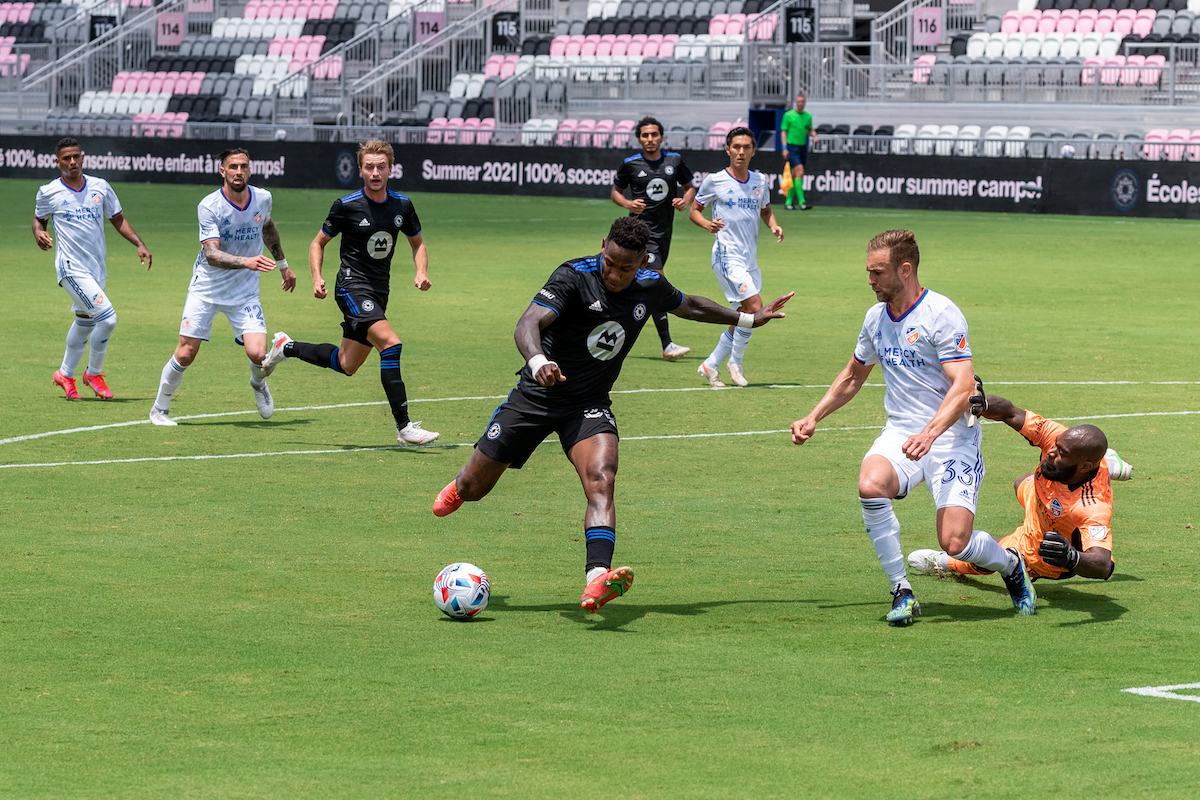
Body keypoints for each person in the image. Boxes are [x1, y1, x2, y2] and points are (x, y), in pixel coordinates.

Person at [431, 217, 793, 613]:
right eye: (610, 262)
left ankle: (596, 579)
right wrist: (537, 361)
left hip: (588, 402)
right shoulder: (573, 276)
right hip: (537, 394)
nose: (616, 274)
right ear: (603, 246)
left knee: (602, 477)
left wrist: (747, 318)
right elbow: (528, 323)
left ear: (642, 261)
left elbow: (689, 305)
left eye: (627, 267)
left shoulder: (650, 284)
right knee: (473, 488)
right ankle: (460, 485)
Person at [789, 229, 1036, 626]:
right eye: (868, 272)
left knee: (955, 543)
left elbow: (965, 385)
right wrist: (814, 416)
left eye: (878, 272)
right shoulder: (875, 318)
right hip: (902, 432)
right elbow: (854, 374)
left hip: (952, 436)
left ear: (905, 270)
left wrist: (931, 433)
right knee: (870, 484)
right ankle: (901, 591)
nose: (870, 280)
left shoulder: (941, 313)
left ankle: (1009, 565)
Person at [261, 140, 437, 445]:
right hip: (350, 287)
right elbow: (318, 243)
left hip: (379, 291)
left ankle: (285, 347)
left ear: (390, 169)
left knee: (346, 364)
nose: (375, 172)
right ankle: (404, 426)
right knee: (391, 345)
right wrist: (317, 277)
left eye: (381, 166)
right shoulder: (346, 205)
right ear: (360, 170)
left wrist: (421, 271)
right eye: (369, 166)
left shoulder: (402, 205)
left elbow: (417, 243)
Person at [908, 391, 1133, 583]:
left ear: (1084, 466)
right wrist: (981, 403)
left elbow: (1103, 565)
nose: (1051, 452)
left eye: (1061, 454)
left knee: (993, 558)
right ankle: (1108, 465)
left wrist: (1072, 557)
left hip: (1041, 545)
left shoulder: (1091, 507)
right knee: (1020, 482)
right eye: (1056, 446)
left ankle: (944, 562)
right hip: (1039, 495)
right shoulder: (1056, 436)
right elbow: (1010, 412)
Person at [149, 147, 295, 426]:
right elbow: (211, 255)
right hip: (207, 289)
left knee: (258, 354)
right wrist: (247, 262)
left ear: (249, 169)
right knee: (185, 353)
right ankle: (159, 409)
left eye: (243, 166)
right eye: (233, 167)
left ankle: (257, 383)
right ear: (222, 171)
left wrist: (283, 265)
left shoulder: (263, 198)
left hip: (244, 292)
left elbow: (268, 228)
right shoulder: (209, 206)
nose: (238, 171)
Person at [33, 137, 152, 401]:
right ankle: (93, 373)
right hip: (70, 268)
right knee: (107, 319)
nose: (72, 162)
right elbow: (38, 220)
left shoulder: (101, 187)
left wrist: (139, 244)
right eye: (66, 158)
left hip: (96, 268)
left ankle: (65, 374)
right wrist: (39, 233)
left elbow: (117, 219)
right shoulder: (49, 191)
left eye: (76, 156)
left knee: (85, 322)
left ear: (82, 157)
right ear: (58, 162)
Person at [689, 126, 784, 389]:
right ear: (728, 149)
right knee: (755, 309)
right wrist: (706, 223)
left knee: (743, 315)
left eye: (746, 147)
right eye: (736, 147)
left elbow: (766, 211)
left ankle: (710, 364)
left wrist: (774, 225)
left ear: (753, 151)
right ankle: (736, 362)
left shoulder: (760, 181)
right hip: (726, 256)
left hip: (749, 259)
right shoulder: (715, 180)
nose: (741, 152)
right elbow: (694, 211)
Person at [611, 116, 697, 362]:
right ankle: (667, 344)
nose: (650, 139)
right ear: (639, 138)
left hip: (664, 234)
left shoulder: (675, 160)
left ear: (661, 137)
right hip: (639, 234)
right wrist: (628, 203)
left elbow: (690, 186)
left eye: (654, 135)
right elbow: (615, 192)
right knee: (656, 282)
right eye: (645, 135)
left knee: (638, 286)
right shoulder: (630, 164)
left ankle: (611, 328)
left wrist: (685, 199)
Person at [780, 94, 817, 211]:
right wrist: (784, 147)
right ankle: (802, 202)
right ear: (796, 102)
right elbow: (784, 132)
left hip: (802, 147)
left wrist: (814, 135)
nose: (801, 103)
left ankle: (788, 202)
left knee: (794, 175)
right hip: (792, 147)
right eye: (799, 101)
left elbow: (809, 129)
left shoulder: (807, 116)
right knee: (800, 171)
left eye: (803, 101)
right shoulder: (788, 115)